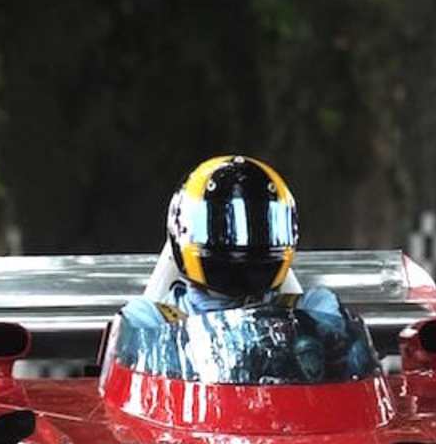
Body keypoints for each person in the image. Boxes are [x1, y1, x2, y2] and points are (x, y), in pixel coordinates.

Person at [115, 155, 375, 382]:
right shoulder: (148, 321)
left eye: (259, 226)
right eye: (223, 225)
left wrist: (323, 343)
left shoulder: (316, 309)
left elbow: (354, 378)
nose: (243, 241)